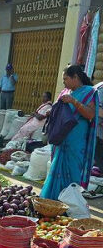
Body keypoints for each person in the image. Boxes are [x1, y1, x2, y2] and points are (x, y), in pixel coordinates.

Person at [41, 65, 98, 200]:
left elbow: (90, 114)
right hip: (62, 139)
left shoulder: (89, 92)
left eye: (66, 79)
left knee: (72, 171)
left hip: (76, 140)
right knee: (57, 170)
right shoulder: (65, 92)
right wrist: (52, 112)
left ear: (75, 77)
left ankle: (69, 203)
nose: (64, 82)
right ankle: (53, 202)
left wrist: (74, 101)